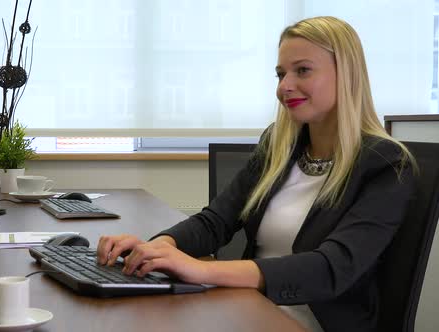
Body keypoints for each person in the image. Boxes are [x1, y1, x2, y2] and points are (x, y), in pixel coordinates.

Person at [96, 16, 416, 332]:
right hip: (250, 306)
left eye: (302, 70)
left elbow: (331, 268)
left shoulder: (386, 165)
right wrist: (158, 248)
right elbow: (215, 221)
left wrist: (200, 270)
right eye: (280, 74)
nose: (284, 87)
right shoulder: (278, 145)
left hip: (314, 321)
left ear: (346, 75)